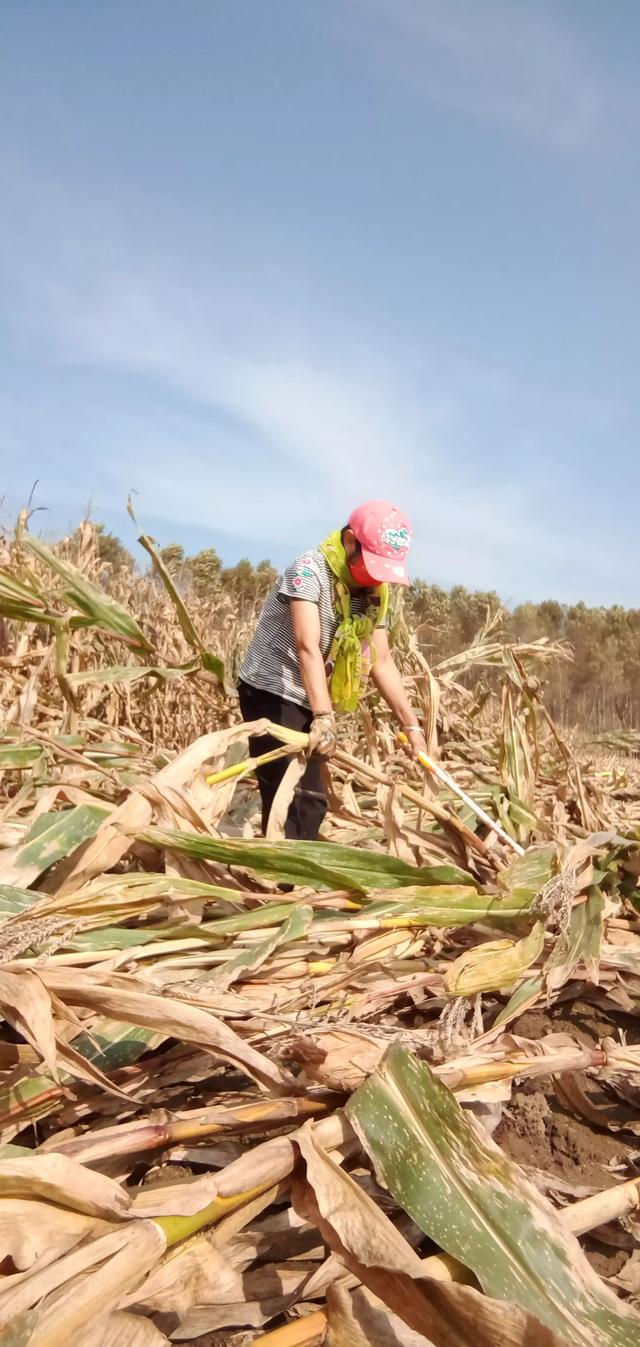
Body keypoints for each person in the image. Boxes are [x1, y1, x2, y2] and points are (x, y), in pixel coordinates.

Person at [237, 500, 428, 840]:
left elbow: (381, 662)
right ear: (350, 542)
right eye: (373, 565)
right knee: (294, 797)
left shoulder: (373, 593)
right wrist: (325, 717)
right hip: (272, 689)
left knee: (308, 801)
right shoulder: (309, 571)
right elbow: (306, 647)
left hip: (313, 694)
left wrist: (411, 724)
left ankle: (288, 876)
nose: (376, 577)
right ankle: (279, 884)